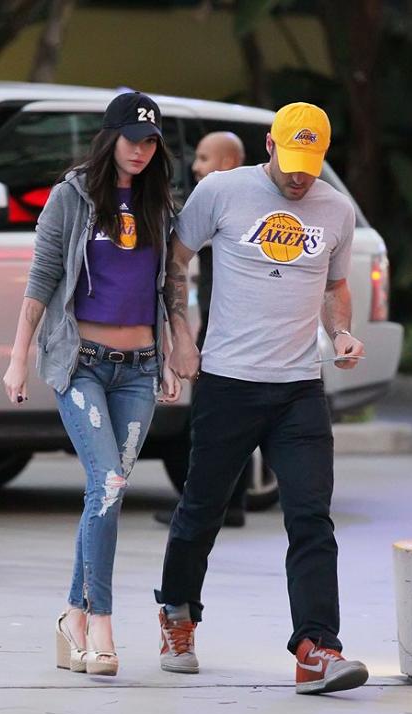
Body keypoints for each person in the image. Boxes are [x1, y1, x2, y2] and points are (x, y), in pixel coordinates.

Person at [156, 102, 369, 695]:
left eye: (311, 166)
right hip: (228, 381)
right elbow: (175, 262)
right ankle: (177, 613)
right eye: (290, 162)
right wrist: (180, 336)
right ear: (269, 147)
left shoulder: (336, 209)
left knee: (311, 518)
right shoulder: (223, 192)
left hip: (299, 388)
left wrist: (342, 332)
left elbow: (336, 286)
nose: (299, 177)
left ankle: (316, 649)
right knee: (202, 510)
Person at [3, 91, 181, 677]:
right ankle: (100, 623)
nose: (141, 150)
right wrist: (17, 357)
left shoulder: (159, 201)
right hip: (82, 362)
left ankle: (72, 615)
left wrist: (177, 348)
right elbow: (42, 278)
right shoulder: (72, 196)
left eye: (151, 141)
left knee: (109, 490)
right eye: (132, 139)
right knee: (106, 481)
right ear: (110, 138)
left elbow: (170, 285)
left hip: (140, 368)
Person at [154, 131, 249, 529]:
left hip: (231, 326)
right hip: (219, 320)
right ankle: (227, 504)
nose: (195, 166)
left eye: (205, 158)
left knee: (217, 418)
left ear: (228, 163)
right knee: (226, 417)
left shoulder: (229, 200)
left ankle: (219, 507)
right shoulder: (226, 196)